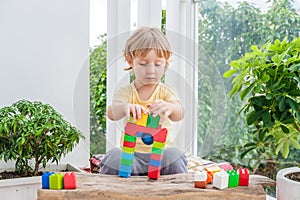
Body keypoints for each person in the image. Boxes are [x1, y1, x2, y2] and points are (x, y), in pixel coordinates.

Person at [100, 26, 188, 176]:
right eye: (143, 63)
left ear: (166, 64)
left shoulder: (166, 91)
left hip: (162, 157)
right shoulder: (126, 92)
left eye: (158, 64)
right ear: (130, 61)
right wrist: (124, 107)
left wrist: (169, 107)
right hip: (132, 158)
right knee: (113, 156)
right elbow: (111, 113)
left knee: (175, 155)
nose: (151, 70)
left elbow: (179, 113)